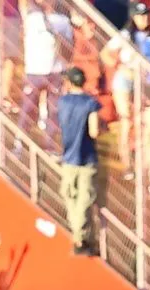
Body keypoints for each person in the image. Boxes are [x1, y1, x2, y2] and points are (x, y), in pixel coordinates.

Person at [56, 68, 102, 256]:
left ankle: (78, 236)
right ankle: (80, 237)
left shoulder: (63, 102)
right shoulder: (90, 103)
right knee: (85, 199)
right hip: (87, 157)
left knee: (70, 196)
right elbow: (94, 131)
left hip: (69, 157)